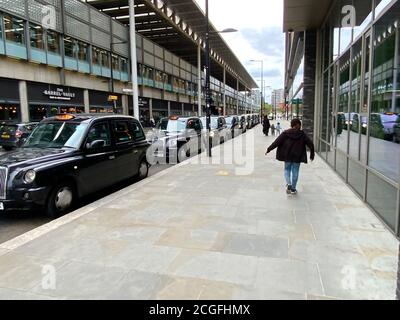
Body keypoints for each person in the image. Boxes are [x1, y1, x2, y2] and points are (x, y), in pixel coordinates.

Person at [265, 119, 315, 195]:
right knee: (295, 172)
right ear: (298, 125)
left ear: (292, 125)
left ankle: (288, 184)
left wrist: (269, 149)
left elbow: (276, 142)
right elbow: (310, 144)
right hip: (297, 157)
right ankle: (293, 189)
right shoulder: (302, 134)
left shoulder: (285, 133)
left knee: (287, 170)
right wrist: (312, 153)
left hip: (287, 156)